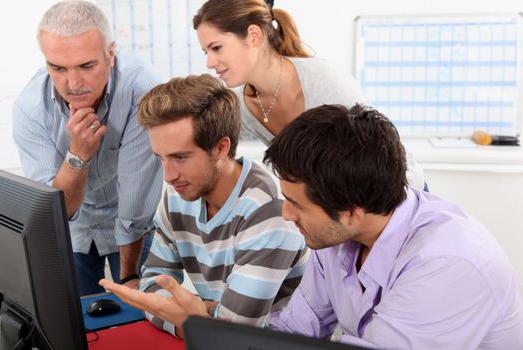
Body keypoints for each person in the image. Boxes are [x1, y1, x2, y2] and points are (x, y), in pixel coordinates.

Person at [263, 104, 523, 349]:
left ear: (353, 212)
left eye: (296, 204)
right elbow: (293, 331)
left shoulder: (447, 262)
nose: (286, 214)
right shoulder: (335, 234)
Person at [100, 74, 308, 338]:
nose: (168, 175)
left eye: (180, 157)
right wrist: (196, 319)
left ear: (220, 148)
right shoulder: (179, 194)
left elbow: (233, 332)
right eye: (160, 158)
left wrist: (190, 318)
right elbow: (152, 283)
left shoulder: (269, 212)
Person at [12, 1, 163, 295]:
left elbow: (135, 200)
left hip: (137, 224)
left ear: (110, 53)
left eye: (86, 65)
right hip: (76, 228)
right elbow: (55, 212)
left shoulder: (143, 89)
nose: (72, 83)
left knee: (145, 315)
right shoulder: (30, 109)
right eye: (57, 68)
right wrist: (77, 155)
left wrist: (129, 277)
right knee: (81, 321)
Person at [192, 0, 425, 189]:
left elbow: (381, 157)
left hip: (397, 190)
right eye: (205, 52)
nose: (210, 62)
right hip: (343, 204)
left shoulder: (324, 81)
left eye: (217, 48)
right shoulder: (243, 106)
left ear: (254, 35)